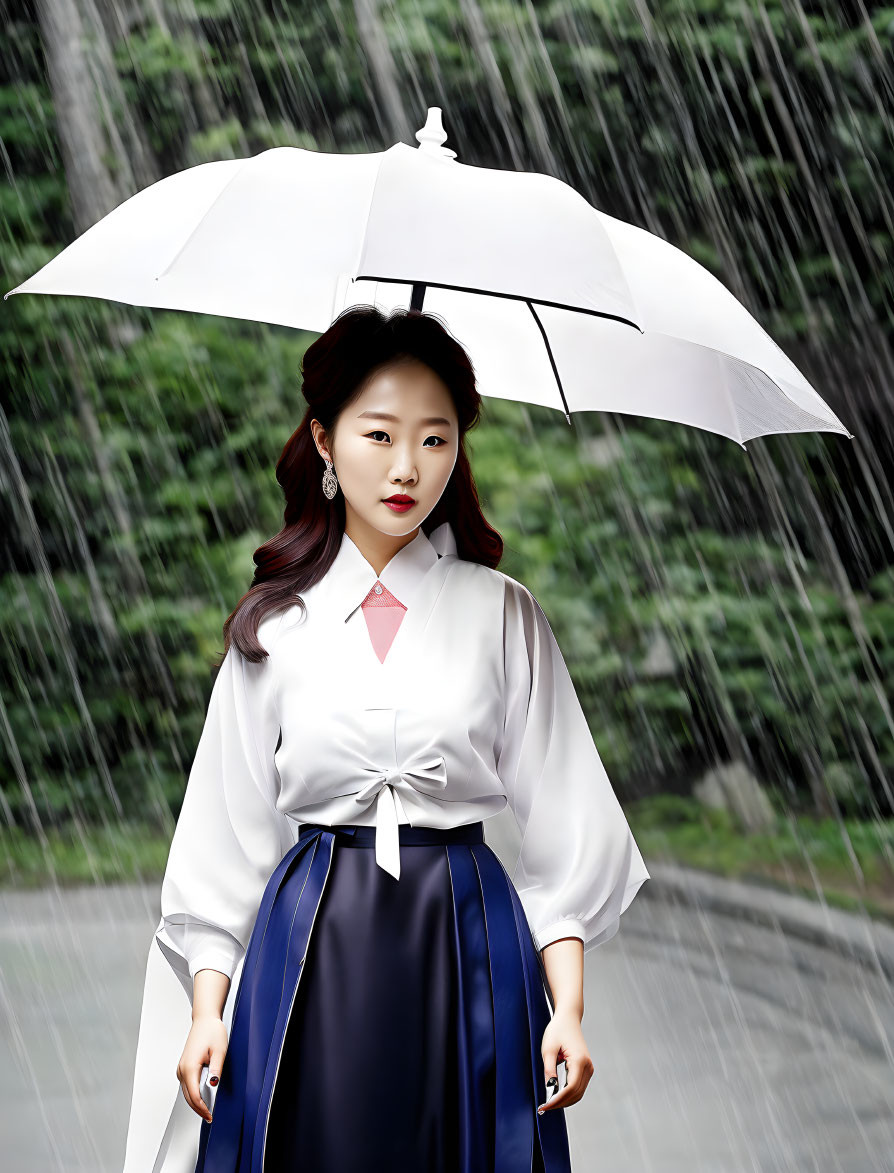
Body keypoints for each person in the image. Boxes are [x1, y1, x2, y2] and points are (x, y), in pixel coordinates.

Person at [122, 305, 650, 1173]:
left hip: (469, 935)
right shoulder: (275, 628)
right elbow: (226, 841)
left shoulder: (502, 613)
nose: (407, 467)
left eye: (435, 439)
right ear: (325, 442)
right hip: (310, 947)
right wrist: (210, 1011)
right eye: (380, 433)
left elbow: (568, 824)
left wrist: (568, 1008)